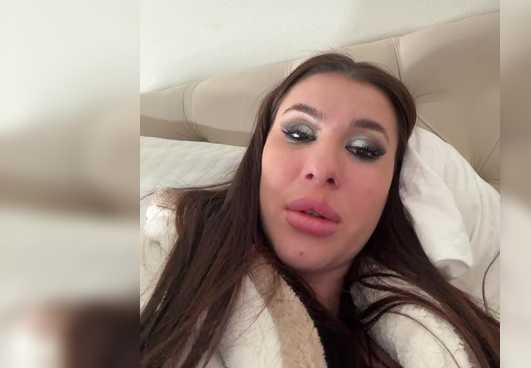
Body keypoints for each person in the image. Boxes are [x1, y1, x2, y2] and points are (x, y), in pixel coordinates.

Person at [140, 53, 499, 367]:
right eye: (298, 133)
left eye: (363, 150)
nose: (323, 168)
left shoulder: (460, 334)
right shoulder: (162, 262)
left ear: (394, 186)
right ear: (260, 154)